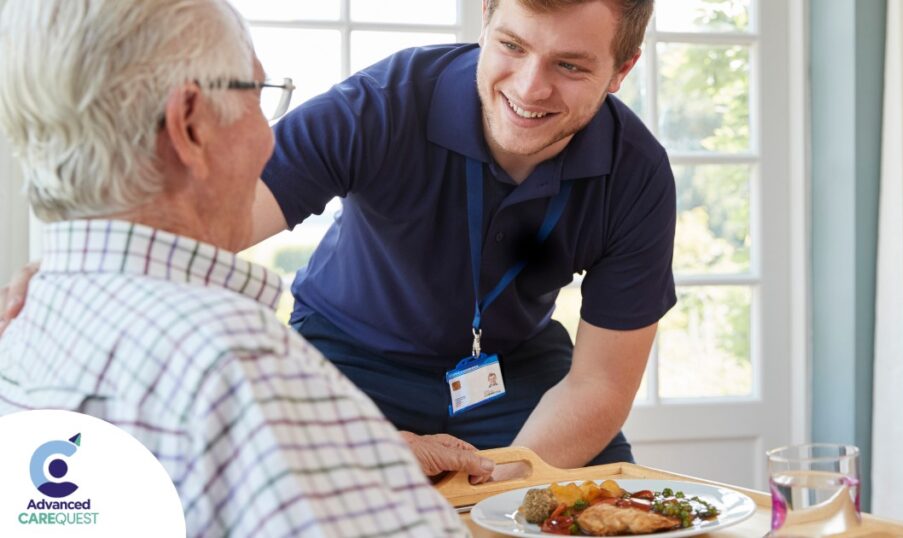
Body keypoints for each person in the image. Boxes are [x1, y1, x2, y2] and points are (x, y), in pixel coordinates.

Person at [1, 0, 676, 471]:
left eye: (571, 66)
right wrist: (76, 269)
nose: (529, 87)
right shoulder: (381, 105)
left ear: (622, 70)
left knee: (598, 509)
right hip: (348, 357)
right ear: (486, 20)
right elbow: (208, 219)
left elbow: (598, 384)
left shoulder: (638, 173)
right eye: (512, 46)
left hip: (515, 371)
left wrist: (510, 488)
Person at [0, 0, 480, 536]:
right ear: (190, 125)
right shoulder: (237, 362)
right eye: (256, 95)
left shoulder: (24, 323)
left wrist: (349, 455)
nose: (271, 136)